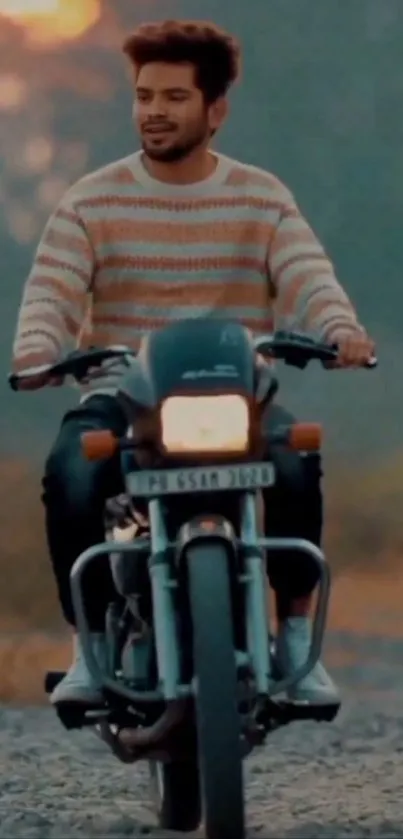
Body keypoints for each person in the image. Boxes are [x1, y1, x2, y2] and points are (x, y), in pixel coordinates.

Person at [10, 19, 375, 709]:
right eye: (144, 95)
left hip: (237, 392)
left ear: (216, 110)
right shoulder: (91, 199)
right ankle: (88, 645)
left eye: (174, 97)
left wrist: (339, 329)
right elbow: (52, 291)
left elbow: (306, 274)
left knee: (295, 463)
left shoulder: (260, 196)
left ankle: (292, 637)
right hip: (124, 395)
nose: (153, 110)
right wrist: (37, 349)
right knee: (72, 471)